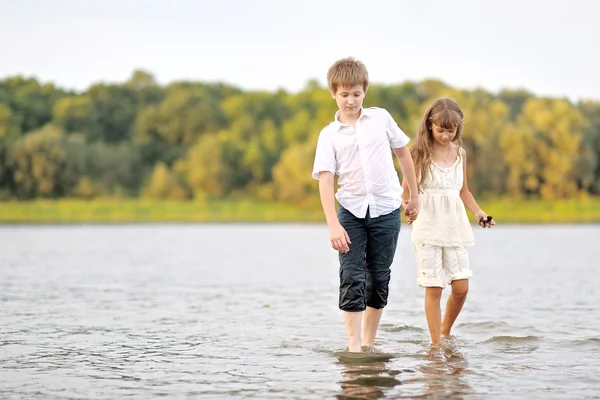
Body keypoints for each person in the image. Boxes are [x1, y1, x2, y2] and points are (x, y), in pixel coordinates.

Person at [312, 57, 419, 353]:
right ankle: (354, 347)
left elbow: (404, 155)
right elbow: (325, 180)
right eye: (344, 94)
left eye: (356, 94)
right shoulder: (329, 135)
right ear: (334, 92)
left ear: (364, 92)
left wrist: (414, 194)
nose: (351, 100)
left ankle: (369, 343)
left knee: (379, 277)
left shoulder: (381, 118)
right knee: (351, 275)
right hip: (350, 213)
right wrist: (333, 223)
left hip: (386, 210)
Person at [402, 97, 495, 344]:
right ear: (429, 125)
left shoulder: (460, 154)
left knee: (461, 287)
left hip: (455, 227)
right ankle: (436, 345)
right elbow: (405, 193)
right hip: (428, 227)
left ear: (458, 129)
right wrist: (409, 208)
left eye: (451, 131)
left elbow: (463, 191)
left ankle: (445, 331)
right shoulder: (418, 153)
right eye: (440, 130)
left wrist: (479, 213)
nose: (445, 136)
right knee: (434, 288)